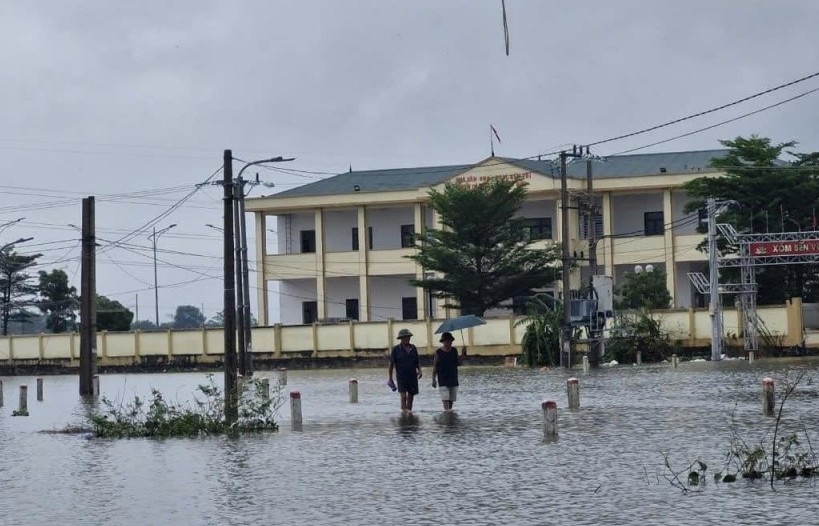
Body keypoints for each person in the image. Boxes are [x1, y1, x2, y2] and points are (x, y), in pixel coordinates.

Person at [388, 328, 422, 412]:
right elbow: (391, 364)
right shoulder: (396, 350)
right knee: (403, 397)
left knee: (410, 397)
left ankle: (409, 414)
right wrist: (390, 377)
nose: (407, 339)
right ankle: (404, 414)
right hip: (401, 377)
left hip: (412, 376)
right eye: (405, 337)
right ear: (401, 339)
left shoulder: (413, 348)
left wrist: (420, 370)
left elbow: (417, 361)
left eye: (408, 337)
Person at [431, 331, 466, 411]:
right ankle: (447, 414)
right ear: (443, 342)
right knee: (445, 399)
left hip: (453, 379)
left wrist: (463, 354)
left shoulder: (454, 350)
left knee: (451, 401)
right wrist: (433, 379)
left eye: (450, 341)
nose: (449, 343)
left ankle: (450, 417)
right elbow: (435, 366)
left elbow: (459, 363)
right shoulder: (438, 352)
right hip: (443, 379)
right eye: (447, 341)